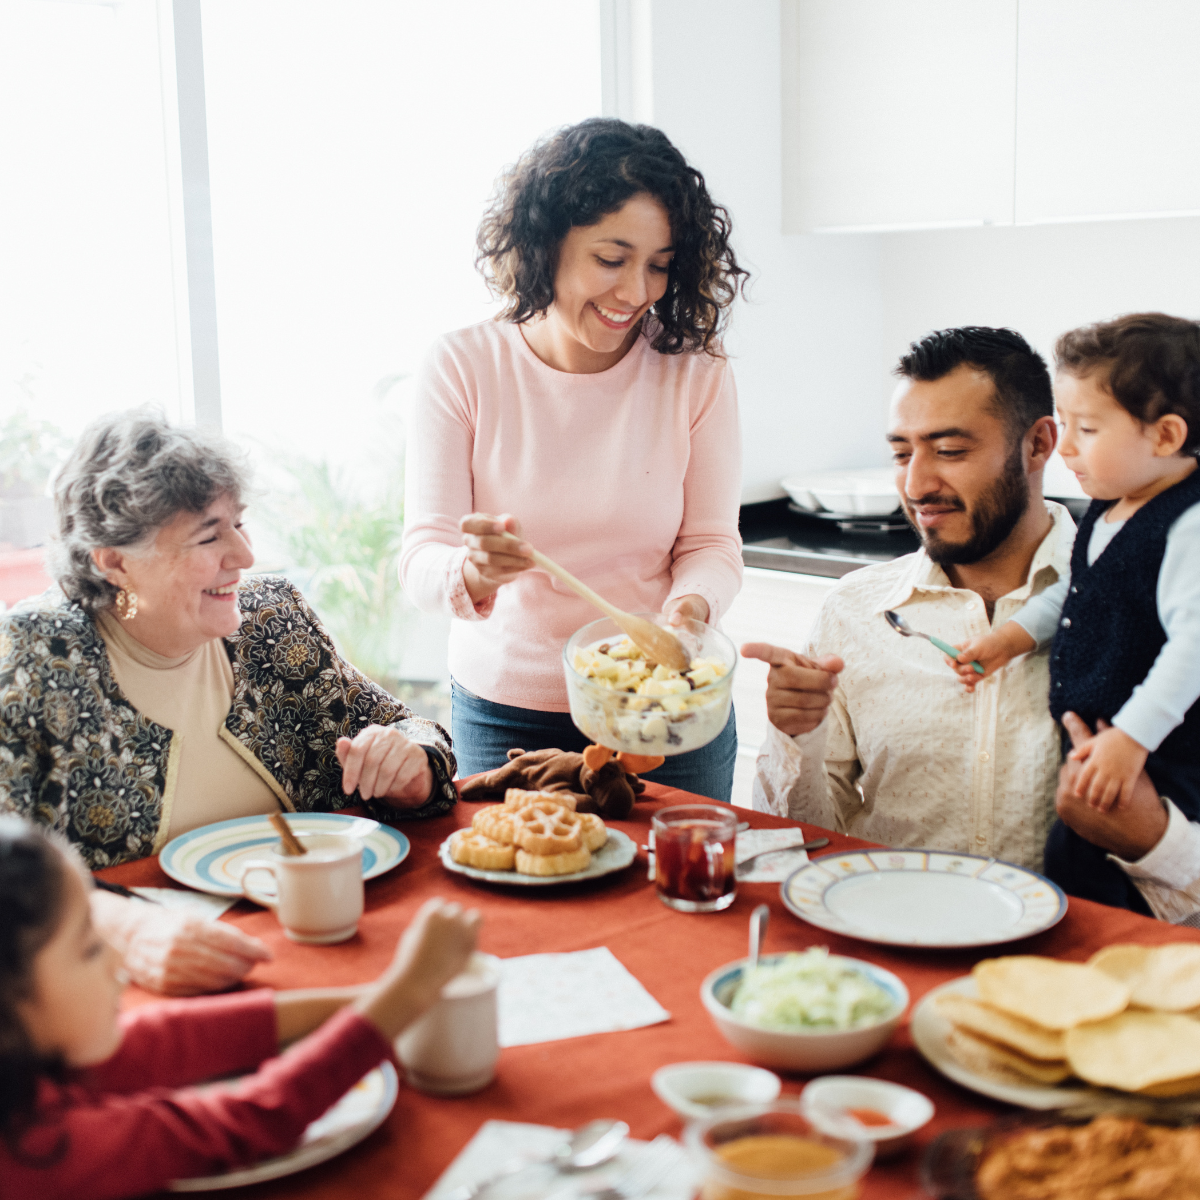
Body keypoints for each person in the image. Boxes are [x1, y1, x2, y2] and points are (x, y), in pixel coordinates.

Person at [0, 409, 458, 994]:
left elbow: (412, 730)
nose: (243, 554)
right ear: (114, 562)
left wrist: (411, 766)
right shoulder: (39, 655)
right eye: (209, 535)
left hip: (331, 941)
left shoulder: (271, 617)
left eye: (239, 524)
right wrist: (125, 929)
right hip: (147, 980)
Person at [400, 118, 746, 802]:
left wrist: (685, 616)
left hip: (662, 711)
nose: (637, 292)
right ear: (544, 243)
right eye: (611, 259)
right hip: (507, 710)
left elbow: (711, 543)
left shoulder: (694, 370)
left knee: (676, 904)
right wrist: (468, 572)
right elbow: (420, 558)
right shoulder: (463, 365)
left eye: (659, 264)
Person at [0, 815, 480, 1200]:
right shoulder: (40, 1149)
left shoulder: (25, 1065)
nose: (116, 964)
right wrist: (406, 994)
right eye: (89, 948)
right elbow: (249, 1118)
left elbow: (160, 1040)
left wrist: (375, 996)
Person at [746, 327, 1071, 872]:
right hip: (892, 925)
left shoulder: (1135, 601)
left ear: (1038, 444)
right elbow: (801, 845)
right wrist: (799, 737)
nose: (917, 485)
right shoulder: (854, 612)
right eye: (901, 454)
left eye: (949, 451)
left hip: (1073, 947)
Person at [948, 315, 1200, 915]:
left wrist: (1132, 739)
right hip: (1101, 745)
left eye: (1087, 428)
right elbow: (1079, 590)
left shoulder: (1189, 524)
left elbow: (1194, 647)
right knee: (1076, 866)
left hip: (1161, 753)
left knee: (1140, 896)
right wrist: (1012, 636)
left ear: (1165, 436)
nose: (1065, 446)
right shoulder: (1111, 507)